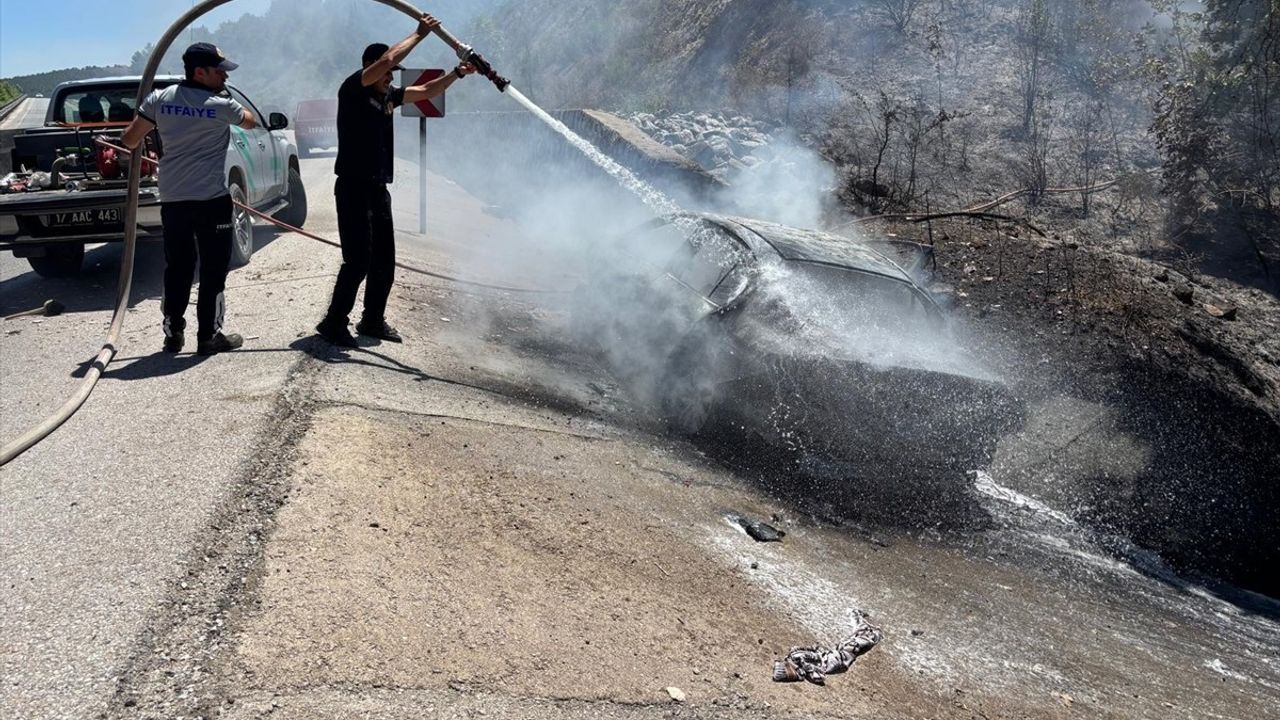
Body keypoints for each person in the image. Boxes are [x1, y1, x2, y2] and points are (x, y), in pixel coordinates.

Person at [314, 13, 474, 347]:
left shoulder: (389, 97)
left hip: (376, 188)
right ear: (370, 67)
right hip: (353, 187)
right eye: (387, 72)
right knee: (358, 259)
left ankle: (372, 320)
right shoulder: (353, 89)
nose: (391, 77)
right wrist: (419, 34)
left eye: (392, 75)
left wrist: (457, 74)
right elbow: (388, 58)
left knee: (384, 259)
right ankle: (333, 322)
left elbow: (428, 89)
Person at [119, 42, 257, 355]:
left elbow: (129, 139)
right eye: (219, 70)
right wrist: (231, 108)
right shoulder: (222, 104)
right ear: (199, 72)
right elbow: (250, 122)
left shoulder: (160, 98)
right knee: (213, 270)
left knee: (178, 267)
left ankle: (173, 334)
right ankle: (209, 336)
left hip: (173, 201)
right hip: (211, 201)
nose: (224, 76)